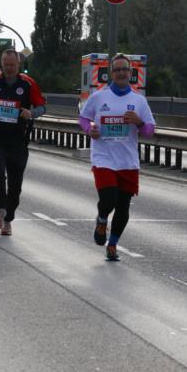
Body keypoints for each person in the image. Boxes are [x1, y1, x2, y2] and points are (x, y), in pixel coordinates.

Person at [78, 53, 156, 261]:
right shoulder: (98, 97)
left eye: (125, 70)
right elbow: (84, 119)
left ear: (130, 73)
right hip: (103, 157)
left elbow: (149, 131)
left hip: (128, 161)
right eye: (117, 70)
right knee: (109, 197)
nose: (121, 73)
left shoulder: (138, 100)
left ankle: (112, 245)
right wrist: (90, 129)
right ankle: (102, 218)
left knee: (123, 206)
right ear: (111, 73)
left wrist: (139, 122)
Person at [0, 49, 46, 235]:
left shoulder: (28, 84)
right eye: (5, 65)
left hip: (17, 141)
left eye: (12, 65)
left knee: (15, 187)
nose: (8, 68)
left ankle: (8, 219)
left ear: (18, 64)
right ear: (1, 64)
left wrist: (32, 113)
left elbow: (42, 106)